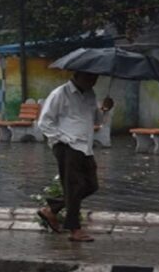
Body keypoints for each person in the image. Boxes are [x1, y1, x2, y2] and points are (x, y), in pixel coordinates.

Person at [36, 71, 114, 242]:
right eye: (89, 78)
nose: (92, 81)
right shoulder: (60, 94)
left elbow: (96, 119)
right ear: (77, 76)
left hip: (85, 146)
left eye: (95, 78)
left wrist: (105, 109)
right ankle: (74, 229)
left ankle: (51, 209)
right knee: (74, 186)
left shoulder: (90, 94)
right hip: (68, 146)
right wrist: (64, 139)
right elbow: (44, 122)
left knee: (91, 185)